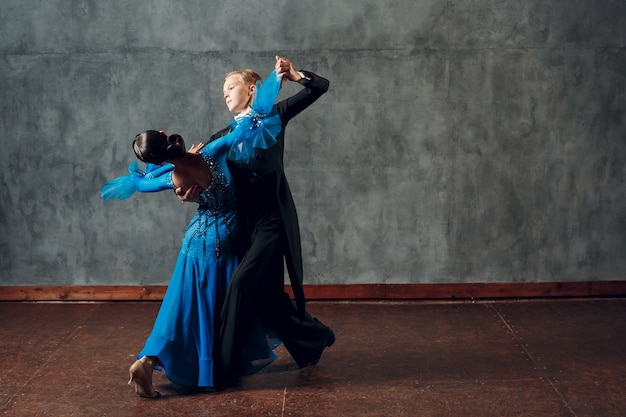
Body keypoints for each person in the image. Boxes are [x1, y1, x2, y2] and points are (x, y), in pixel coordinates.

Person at [180, 56, 335, 388]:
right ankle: (315, 338)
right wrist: (187, 190)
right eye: (223, 90)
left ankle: (220, 371)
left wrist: (293, 75)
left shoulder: (273, 117)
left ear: (252, 89)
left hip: (272, 222)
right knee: (269, 299)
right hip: (241, 226)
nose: (225, 93)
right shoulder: (221, 136)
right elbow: (206, 184)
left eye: (231, 87)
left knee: (240, 284)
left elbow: (320, 87)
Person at [101, 128, 280, 397]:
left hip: (194, 242)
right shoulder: (209, 153)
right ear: (165, 135)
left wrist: (162, 169)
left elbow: (142, 182)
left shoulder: (173, 177)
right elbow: (240, 132)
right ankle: (205, 366)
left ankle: (148, 361)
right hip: (224, 242)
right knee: (213, 308)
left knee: (182, 307)